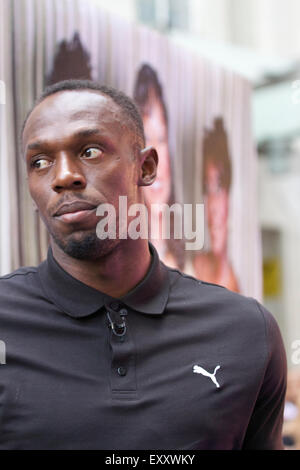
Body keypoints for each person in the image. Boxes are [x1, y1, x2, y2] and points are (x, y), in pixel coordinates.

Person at [0, 79, 286, 450]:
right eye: (40, 161)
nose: (62, 176)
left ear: (146, 167)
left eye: (89, 151)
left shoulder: (245, 331)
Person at [133, 64, 185, 271]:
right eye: (145, 140)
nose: (155, 158)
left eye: (161, 139)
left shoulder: (189, 259)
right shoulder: (124, 262)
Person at [193, 118, 240, 292]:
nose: (212, 204)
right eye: (207, 188)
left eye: (218, 188)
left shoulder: (233, 282)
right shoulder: (195, 265)